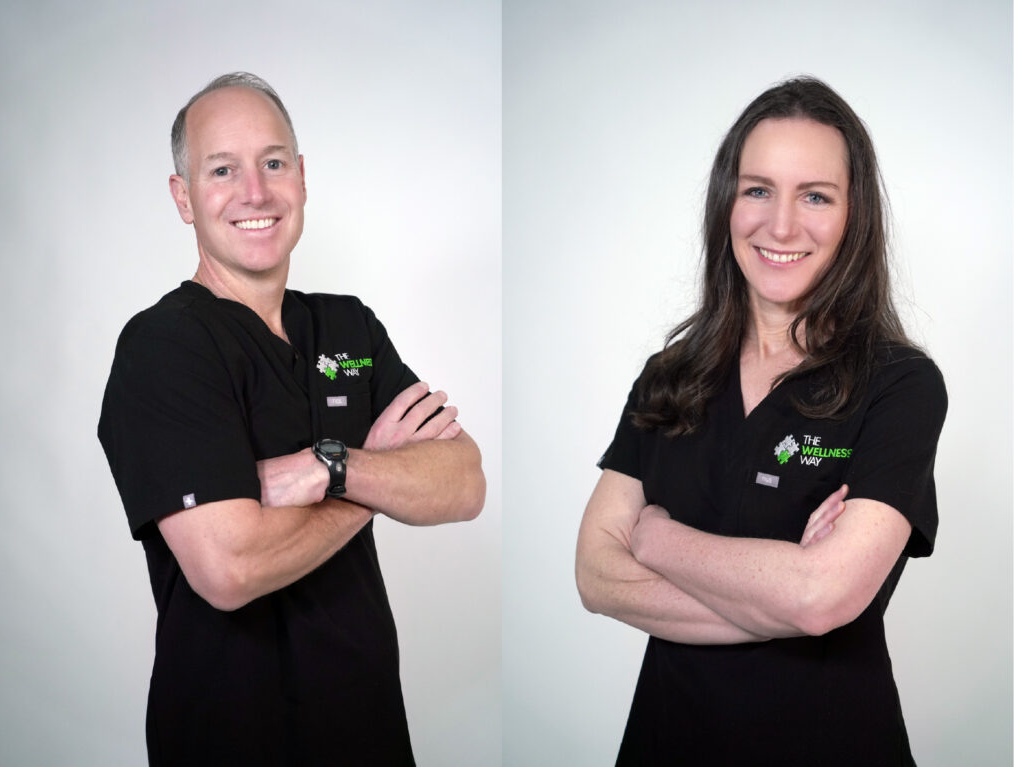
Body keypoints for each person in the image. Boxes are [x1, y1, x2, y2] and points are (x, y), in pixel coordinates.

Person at [98, 72, 485, 766]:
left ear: (302, 178)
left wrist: (324, 467)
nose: (255, 191)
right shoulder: (163, 347)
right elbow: (229, 565)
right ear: (183, 197)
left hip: (369, 730)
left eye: (273, 162)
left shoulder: (347, 325)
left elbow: (464, 481)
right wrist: (374, 483)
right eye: (223, 170)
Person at [575, 77, 947, 766]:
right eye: (757, 189)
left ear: (854, 214)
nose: (781, 225)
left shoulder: (899, 385)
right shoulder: (669, 376)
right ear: (726, 203)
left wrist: (656, 539)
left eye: (815, 195)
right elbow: (595, 574)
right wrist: (784, 591)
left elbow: (819, 595)